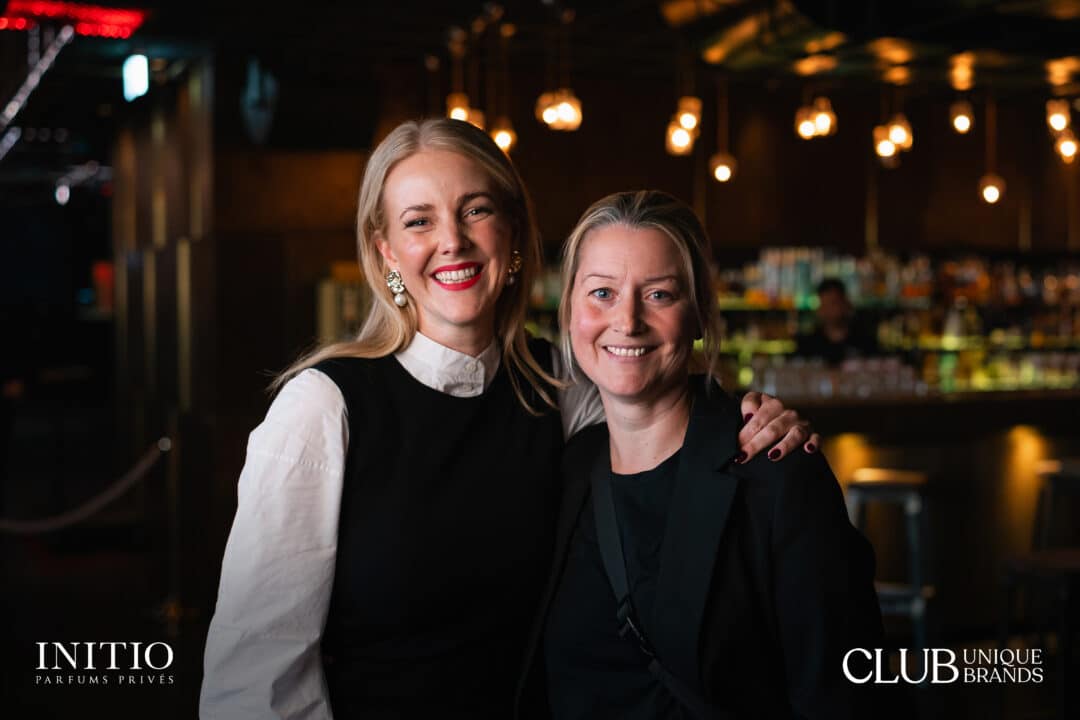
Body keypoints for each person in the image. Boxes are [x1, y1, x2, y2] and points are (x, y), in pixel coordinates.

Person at [199, 120, 820, 720]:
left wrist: (750, 418)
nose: (453, 241)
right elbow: (256, 677)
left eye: (475, 210)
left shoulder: (561, 384)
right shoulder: (324, 406)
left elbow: (657, 400)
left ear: (515, 231)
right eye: (420, 221)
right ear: (385, 250)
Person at [518, 191, 882, 719]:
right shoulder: (572, 468)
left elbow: (847, 693)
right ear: (569, 313)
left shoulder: (776, 471)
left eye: (660, 295)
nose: (627, 320)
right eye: (601, 292)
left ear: (700, 316)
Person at [795, 278, 879, 366]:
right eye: (824, 305)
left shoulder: (864, 341)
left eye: (833, 303)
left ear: (845, 304)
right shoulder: (808, 345)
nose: (828, 311)